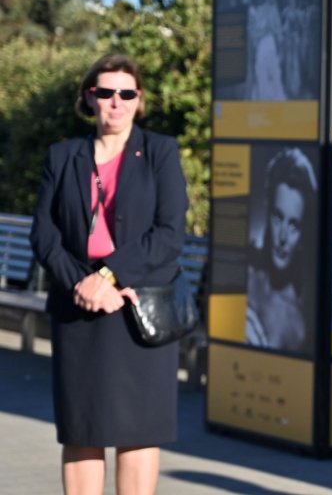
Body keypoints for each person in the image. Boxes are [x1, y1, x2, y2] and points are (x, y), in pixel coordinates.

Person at [30, 53, 188, 494]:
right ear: (89, 98)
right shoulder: (62, 156)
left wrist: (109, 277)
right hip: (79, 308)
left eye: (126, 93)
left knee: (139, 432)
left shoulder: (160, 152)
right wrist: (82, 282)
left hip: (138, 311)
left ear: (138, 100)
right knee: (82, 430)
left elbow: (169, 233)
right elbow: (44, 233)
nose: (115, 102)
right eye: (105, 93)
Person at [245, 146, 317, 352]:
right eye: (278, 217)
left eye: (293, 225)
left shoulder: (294, 323)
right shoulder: (245, 275)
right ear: (267, 212)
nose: (283, 237)